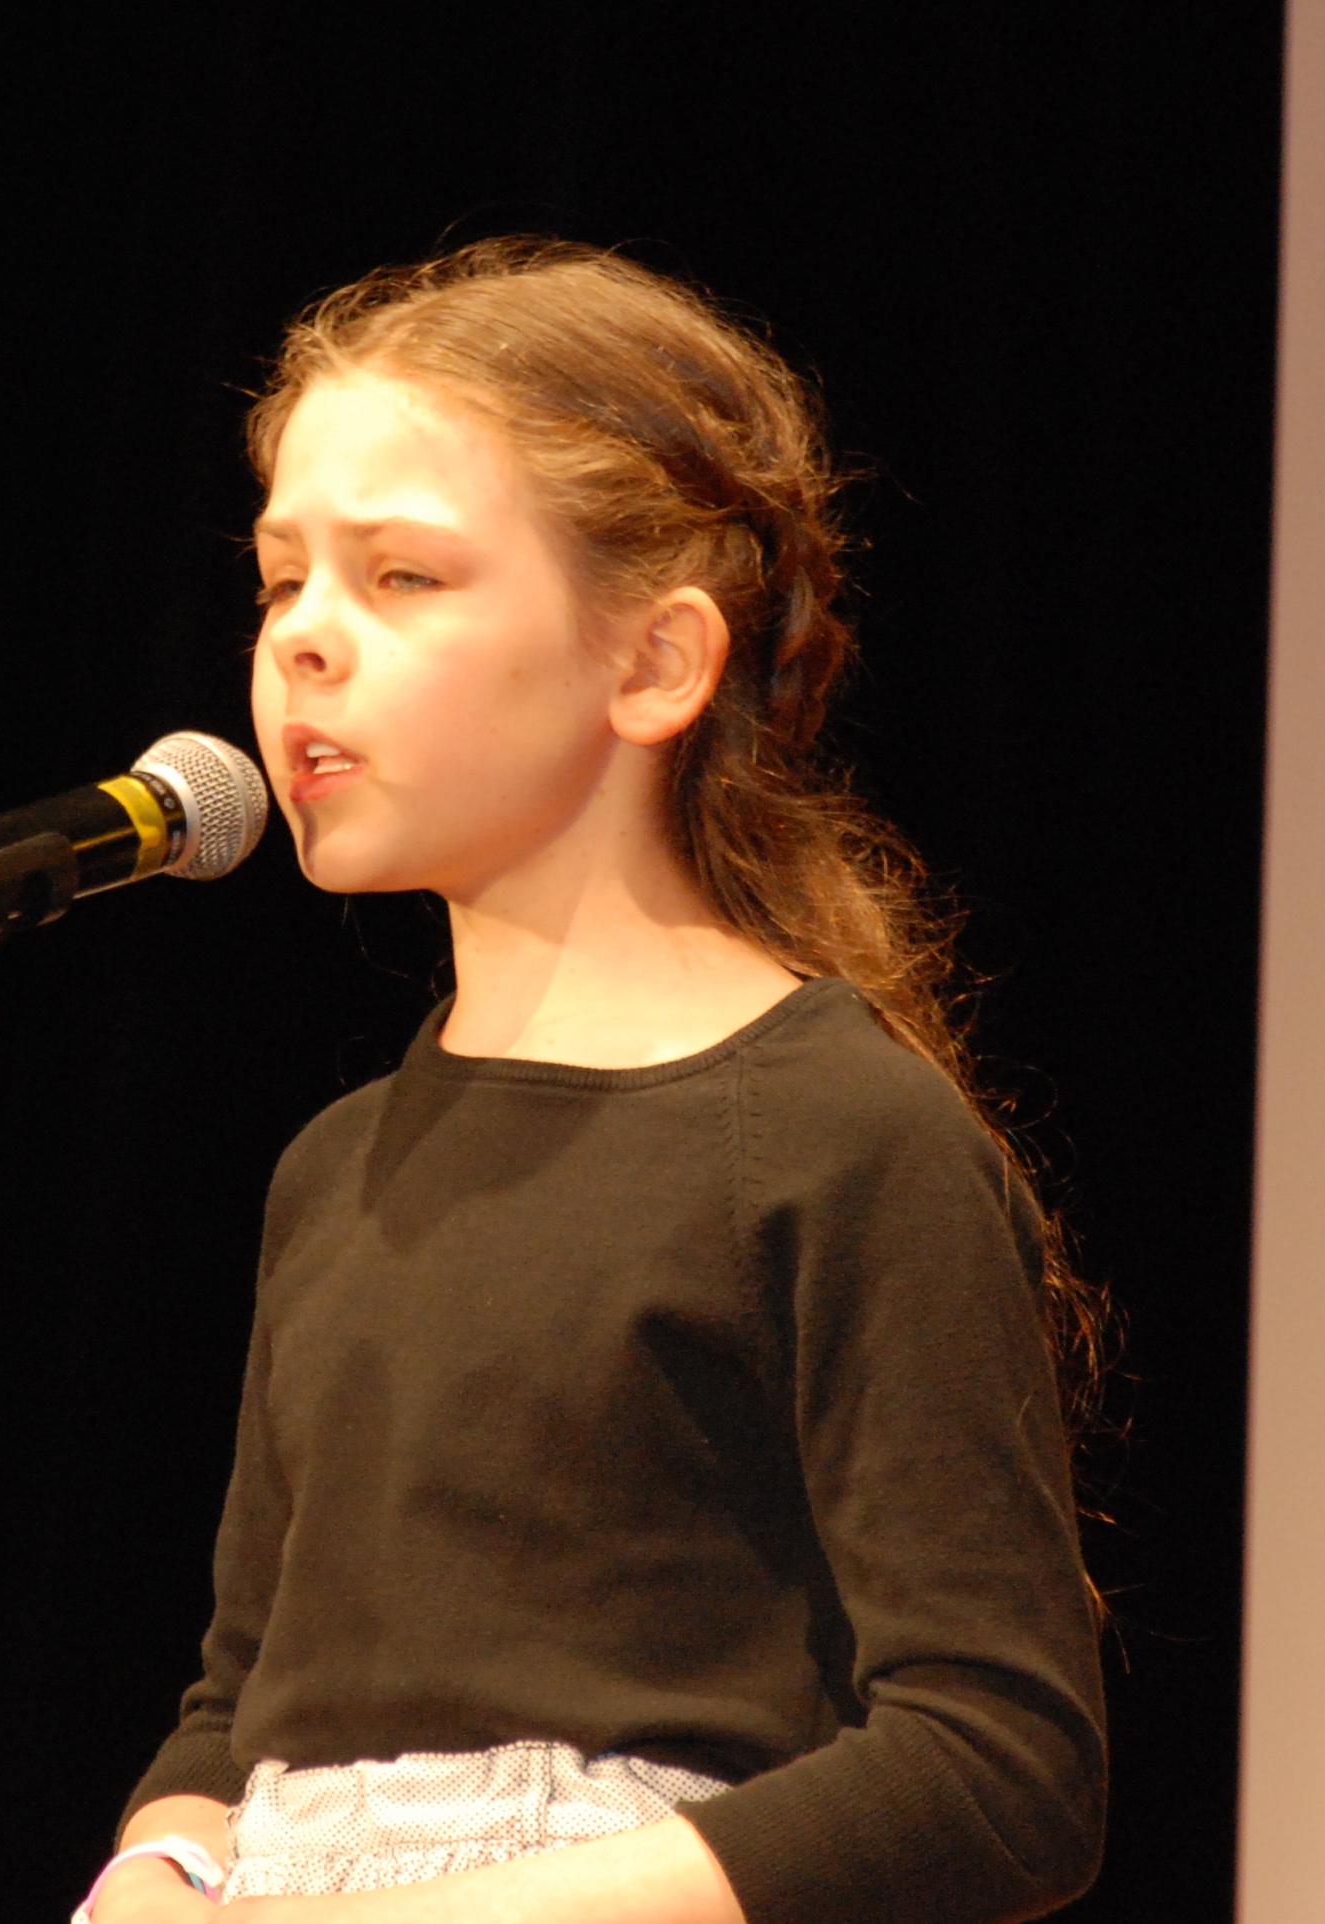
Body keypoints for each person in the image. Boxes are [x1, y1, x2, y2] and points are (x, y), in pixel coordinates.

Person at [79, 240, 1108, 1924]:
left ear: (653, 665)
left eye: (404, 577)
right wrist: (162, 1863)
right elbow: (243, 1698)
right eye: (281, 581)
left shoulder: (840, 1140)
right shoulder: (334, 1168)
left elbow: (999, 1762)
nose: (306, 642)